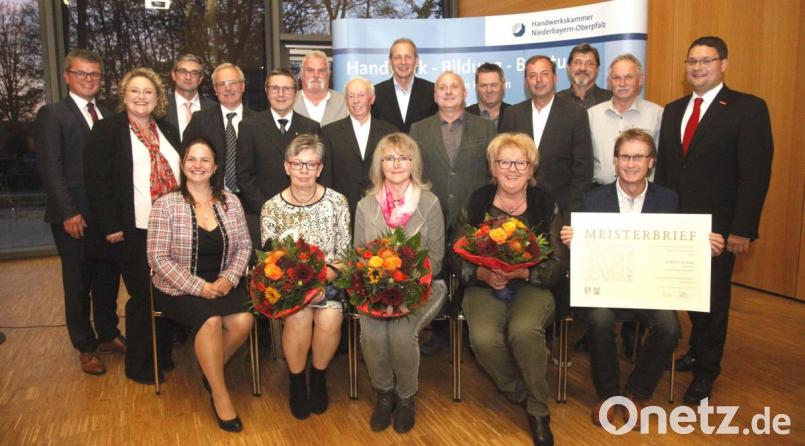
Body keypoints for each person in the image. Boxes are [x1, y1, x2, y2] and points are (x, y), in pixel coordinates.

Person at [559, 129, 725, 427]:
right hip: (608, 289)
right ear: (615, 160)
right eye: (625, 156)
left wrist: (706, 247)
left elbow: (682, 246)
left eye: (638, 157)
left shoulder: (669, 200)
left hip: (652, 290)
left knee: (669, 327)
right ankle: (609, 396)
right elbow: (579, 256)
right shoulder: (593, 200)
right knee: (598, 320)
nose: (631, 163)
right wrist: (574, 239)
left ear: (651, 162)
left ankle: (637, 393)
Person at [655, 36, 773, 404]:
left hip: (719, 229)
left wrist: (742, 228)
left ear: (723, 63)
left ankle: (707, 372)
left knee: (714, 300)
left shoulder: (747, 108)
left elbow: (755, 174)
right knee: (689, 294)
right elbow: (667, 172)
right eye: (692, 61)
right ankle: (695, 351)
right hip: (678, 227)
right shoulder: (674, 110)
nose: (697, 67)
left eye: (706, 60)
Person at [454, 132, 566, 446]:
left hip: (532, 284)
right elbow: (455, 253)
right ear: (493, 167)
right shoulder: (477, 202)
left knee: (524, 330)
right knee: (484, 338)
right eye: (504, 161)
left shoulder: (545, 204)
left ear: (532, 169)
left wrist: (526, 272)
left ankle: (538, 409)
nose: (512, 169)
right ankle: (517, 390)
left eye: (520, 162)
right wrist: (481, 272)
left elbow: (559, 261)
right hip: (484, 284)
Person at [147, 137, 253, 432]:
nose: (198, 165)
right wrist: (199, 287)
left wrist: (228, 279)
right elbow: (157, 258)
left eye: (205, 160)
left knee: (243, 320)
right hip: (177, 287)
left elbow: (244, 246)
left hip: (222, 281)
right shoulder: (165, 204)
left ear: (215, 166)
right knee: (210, 321)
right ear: (182, 164)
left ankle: (211, 370)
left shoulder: (231, 201)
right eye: (192, 159)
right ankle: (220, 395)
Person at [84, 67, 181, 384]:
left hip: (170, 229)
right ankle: (140, 367)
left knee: (166, 295)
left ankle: (162, 357)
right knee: (144, 298)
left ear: (158, 98)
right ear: (123, 96)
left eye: (148, 92)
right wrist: (111, 224)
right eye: (135, 91)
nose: (142, 97)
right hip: (132, 231)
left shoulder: (167, 130)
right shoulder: (107, 130)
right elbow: (97, 183)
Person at [34, 49, 124, 376]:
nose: (89, 79)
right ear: (67, 76)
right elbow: (51, 169)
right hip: (73, 218)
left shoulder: (106, 114)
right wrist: (68, 212)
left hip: (104, 217)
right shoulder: (52, 114)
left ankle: (108, 333)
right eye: (82, 73)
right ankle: (85, 346)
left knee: (106, 278)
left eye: (94, 74)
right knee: (77, 283)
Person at [353, 133, 446, 433]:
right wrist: (379, 286)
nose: (396, 164)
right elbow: (359, 256)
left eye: (404, 157)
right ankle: (384, 394)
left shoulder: (429, 203)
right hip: (375, 289)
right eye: (389, 157)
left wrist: (406, 286)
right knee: (372, 330)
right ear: (379, 164)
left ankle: (406, 397)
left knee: (402, 333)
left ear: (414, 163)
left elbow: (436, 256)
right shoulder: (365, 206)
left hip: (423, 286)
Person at [260, 133, 351, 420]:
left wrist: (322, 280)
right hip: (290, 288)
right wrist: (304, 289)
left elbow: (345, 256)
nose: (303, 171)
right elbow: (271, 262)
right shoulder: (271, 207)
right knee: (299, 316)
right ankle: (297, 382)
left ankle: (319, 378)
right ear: (286, 166)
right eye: (297, 164)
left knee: (329, 317)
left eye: (311, 165)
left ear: (320, 168)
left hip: (330, 282)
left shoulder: (337, 202)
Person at [409, 70, 496, 356]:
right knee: (437, 273)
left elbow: (491, 174)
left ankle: (469, 330)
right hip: (430, 214)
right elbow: (414, 174)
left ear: (465, 93)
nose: (448, 92)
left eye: (454, 87)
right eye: (442, 88)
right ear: (435, 95)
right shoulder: (418, 130)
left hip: (472, 215)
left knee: (468, 271)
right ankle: (440, 333)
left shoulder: (485, 129)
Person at [237, 68, 320, 248]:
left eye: (287, 89)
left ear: (295, 93)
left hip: (304, 215)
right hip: (264, 217)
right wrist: (270, 209)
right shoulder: (249, 127)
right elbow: (244, 176)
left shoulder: (311, 127)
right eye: (275, 88)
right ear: (267, 92)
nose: (281, 94)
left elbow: (317, 172)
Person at [320, 77, 397, 221]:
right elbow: (326, 177)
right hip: (342, 210)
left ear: (372, 99)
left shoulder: (390, 132)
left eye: (361, 95)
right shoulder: (329, 132)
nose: (356, 101)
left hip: (382, 210)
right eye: (351, 96)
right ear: (346, 100)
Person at [588, 54, 663, 186]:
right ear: (609, 82)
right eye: (616, 78)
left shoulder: (658, 114)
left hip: (644, 195)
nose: (622, 83)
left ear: (640, 80)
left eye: (628, 77)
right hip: (600, 195)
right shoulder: (592, 115)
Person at [183, 63, 256, 191]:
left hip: (250, 200)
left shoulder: (258, 121)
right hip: (211, 197)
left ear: (242, 86)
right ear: (215, 90)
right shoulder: (200, 120)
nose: (228, 88)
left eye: (233, 83)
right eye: (221, 84)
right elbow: (185, 158)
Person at [372, 38, 438, 133]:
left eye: (408, 57)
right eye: (397, 57)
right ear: (390, 62)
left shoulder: (432, 91)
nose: (403, 62)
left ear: (416, 61)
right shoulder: (376, 93)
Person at [166, 54, 216, 140]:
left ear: (200, 79)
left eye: (194, 73)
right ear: (173, 75)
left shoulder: (214, 109)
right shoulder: (160, 106)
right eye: (183, 71)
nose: (188, 77)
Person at [293, 50, 349, 126]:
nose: (316, 75)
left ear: (329, 74)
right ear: (301, 74)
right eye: (310, 70)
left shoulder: (345, 103)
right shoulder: (290, 102)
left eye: (321, 70)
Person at [556, 43, 612, 109]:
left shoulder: (611, 99)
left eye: (589, 63)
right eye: (577, 62)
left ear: (597, 69)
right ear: (568, 67)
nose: (583, 68)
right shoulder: (556, 101)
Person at [465, 62, 510, 128]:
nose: (489, 90)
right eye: (483, 85)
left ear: (503, 86)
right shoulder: (464, 116)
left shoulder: (515, 115)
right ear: (476, 88)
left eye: (494, 85)